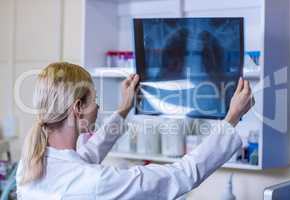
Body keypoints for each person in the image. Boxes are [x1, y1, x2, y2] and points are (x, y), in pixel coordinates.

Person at [16, 62, 254, 200]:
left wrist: (123, 109)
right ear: (78, 107)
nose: (98, 107)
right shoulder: (95, 182)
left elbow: (85, 158)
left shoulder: (29, 166)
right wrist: (232, 118)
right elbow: (182, 174)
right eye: (94, 99)